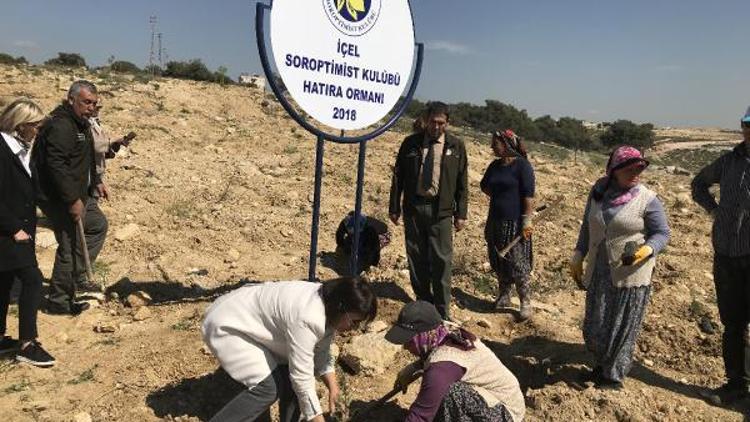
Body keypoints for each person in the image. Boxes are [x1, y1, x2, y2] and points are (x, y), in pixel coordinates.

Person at [202, 277, 377, 422]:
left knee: (292, 374)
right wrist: (317, 419)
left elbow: (320, 352)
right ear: (341, 307)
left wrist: (333, 387)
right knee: (267, 389)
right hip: (229, 324)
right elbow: (301, 377)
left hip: (250, 319)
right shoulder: (308, 317)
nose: (354, 328)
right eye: (354, 322)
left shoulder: (329, 304)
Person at [569, 145, 670, 390]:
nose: (636, 173)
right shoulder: (598, 191)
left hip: (630, 274)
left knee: (622, 325)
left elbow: (661, 233)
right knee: (596, 325)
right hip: (599, 269)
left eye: (640, 168)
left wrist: (646, 250)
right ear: (614, 170)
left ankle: (612, 376)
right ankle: (602, 364)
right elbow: (587, 227)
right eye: (630, 169)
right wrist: (578, 254)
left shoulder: (648, 199)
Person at [31, 80, 108, 315]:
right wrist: (72, 200)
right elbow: (56, 166)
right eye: (86, 102)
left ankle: (77, 277)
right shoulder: (62, 125)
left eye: (94, 103)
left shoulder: (80, 123)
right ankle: (59, 301)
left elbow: (81, 160)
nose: (91, 107)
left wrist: (96, 182)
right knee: (70, 244)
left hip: (78, 193)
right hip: (59, 197)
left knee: (96, 225)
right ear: (71, 99)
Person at [691, 106, 750, 406]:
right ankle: (736, 384)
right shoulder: (729, 162)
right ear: (742, 127)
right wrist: (714, 211)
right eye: (748, 123)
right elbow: (698, 184)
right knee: (733, 323)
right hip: (726, 255)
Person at [389, 102, 469, 320]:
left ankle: (443, 310)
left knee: (442, 260)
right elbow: (398, 177)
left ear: (447, 123)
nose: (436, 127)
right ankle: (424, 303)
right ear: (426, 120)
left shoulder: (456, 146)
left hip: (440, 211)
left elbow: (463, 182)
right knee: (416, 257)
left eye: (441, 123)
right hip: (414, 208)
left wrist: (461, 213)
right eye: (433, 122)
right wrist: (394, 207)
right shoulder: (411, 143)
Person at [385, 301, 525, 421]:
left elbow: (420, 416)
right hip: (492, 400)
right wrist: (413, 367)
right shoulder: (442, 330)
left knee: (449, 392)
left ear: (426, 334)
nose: (405, 346)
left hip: (505, 412)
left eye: (409, 341)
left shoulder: (441, 367)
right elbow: (436, 356)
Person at [0, 98, 55, 366]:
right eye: (35, 125)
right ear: (20, 125)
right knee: (33, 280)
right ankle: (27, 344)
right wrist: (14, 228)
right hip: (9, 231)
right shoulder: (2, 149)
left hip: (17, 229)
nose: (38, 130)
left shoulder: (20, 147)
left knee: (4, 281)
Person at [480, 129, 536, 321]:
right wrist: (500, 197)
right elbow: (485, 186)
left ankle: (525, 302)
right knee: (499, 261)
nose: (492, 147)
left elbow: (528, 196)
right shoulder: (495, 166)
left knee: (519, 264)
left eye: (495, 144)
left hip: (515, 224)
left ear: (506, 144)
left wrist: (526, 221)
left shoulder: (523, 167)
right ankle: (504, 295)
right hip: (495, 220)